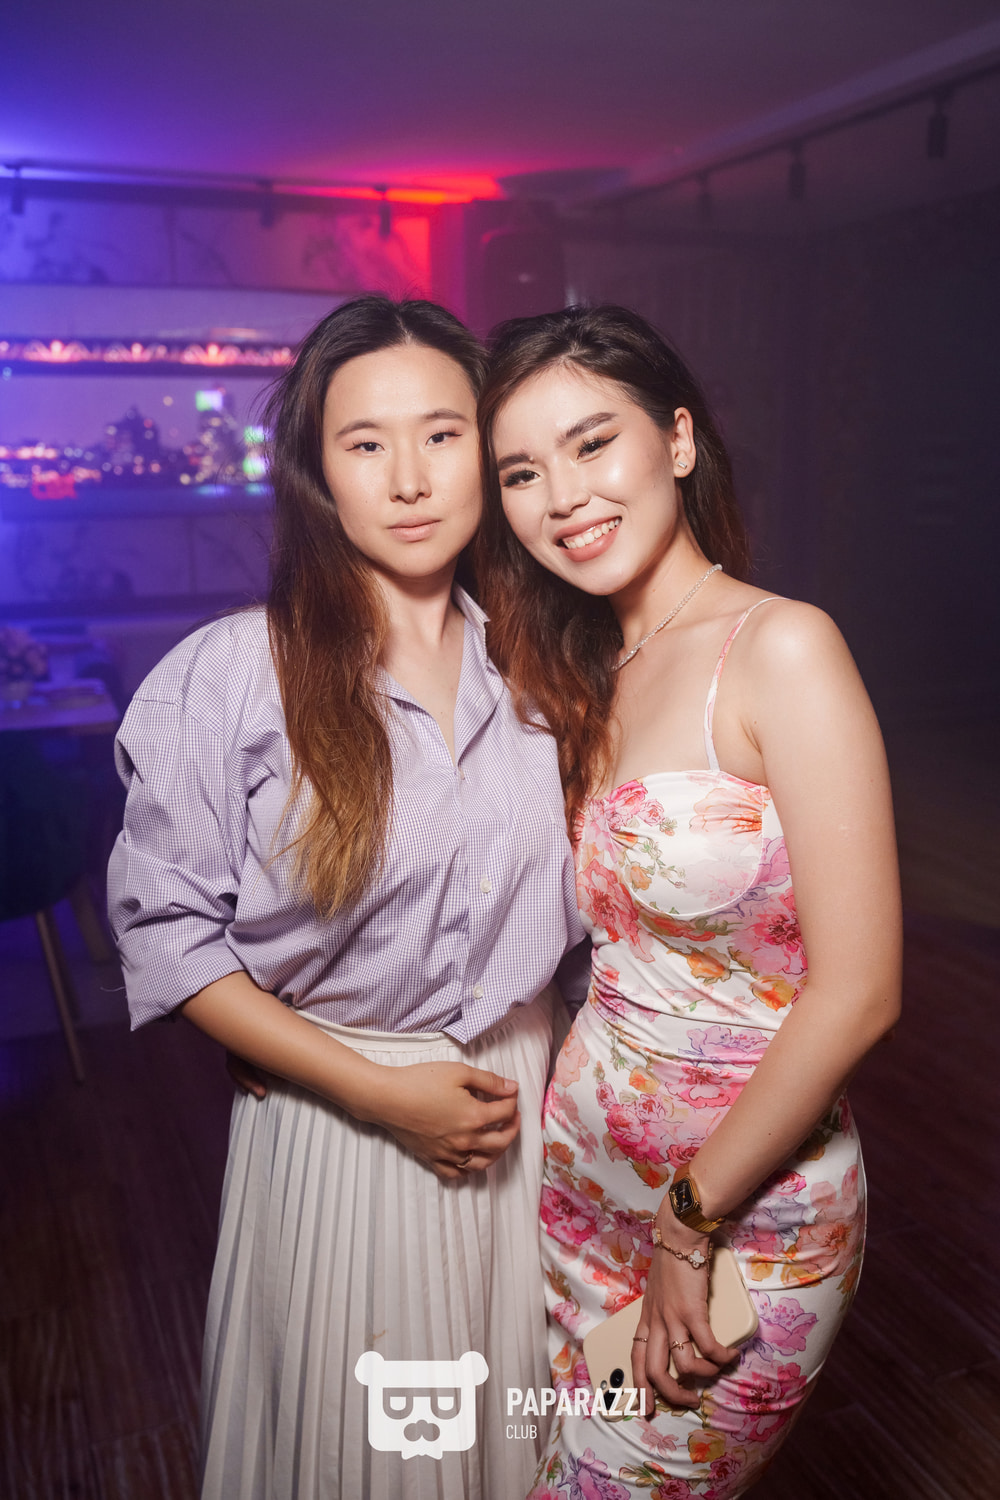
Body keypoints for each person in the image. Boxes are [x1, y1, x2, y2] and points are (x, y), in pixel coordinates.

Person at [107, 295, 587, 1500]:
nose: (409, 479)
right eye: (365, 442)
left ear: (488, 451)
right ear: (319, 472)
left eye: (442, 434)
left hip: (528, 1118)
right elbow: (169, 934)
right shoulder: (234, 674)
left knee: (516, 1446)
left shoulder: (546, 668)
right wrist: (374, 1090)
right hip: (342, 1124)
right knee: (360, 1450)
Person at [474, 304, 902, 1499]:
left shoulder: (781, 648)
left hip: (737, 1217)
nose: (562, 497)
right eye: (521, 472)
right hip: (581, 1188)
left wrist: (688, 1220)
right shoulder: (578, 668)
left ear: (675, 439)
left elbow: (860, 993)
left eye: (591, 443)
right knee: (547, 1470)